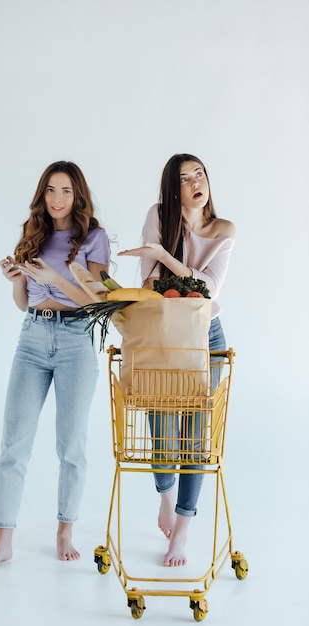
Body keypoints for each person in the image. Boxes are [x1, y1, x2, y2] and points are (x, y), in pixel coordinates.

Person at [0, 161, 110, 571]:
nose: (56, 199)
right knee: (13, 443)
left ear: (78, 195)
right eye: (50, 190)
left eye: (65, 191)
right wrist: (16, 279)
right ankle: (3, 541)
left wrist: (55, 276)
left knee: (71, 446)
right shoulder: (33, 233)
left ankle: (65, 531)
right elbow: (25, 302)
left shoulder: (94, 237)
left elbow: (100, 301)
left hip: (74, 340)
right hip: (32, 337)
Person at [118, 153, 235, 567]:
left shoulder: (224, 230)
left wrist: (165, 259)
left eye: (199, 174)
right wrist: (166, 270)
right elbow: (149, 283)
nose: (195, 183)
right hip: (167, 332)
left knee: (197, 438)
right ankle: (166, 496)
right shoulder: (159, 216)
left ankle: (182, 532)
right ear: (173, 189)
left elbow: (209, 290)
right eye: (184, 179)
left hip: (207, 339)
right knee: (162, 421)